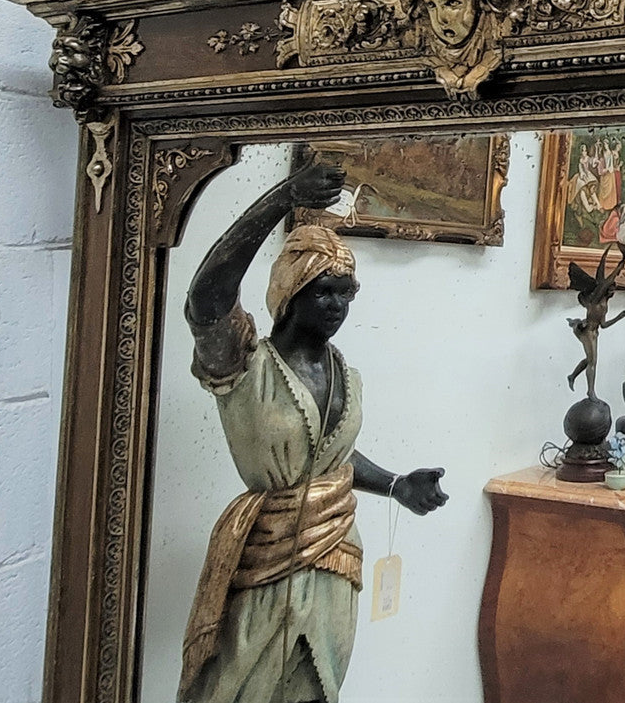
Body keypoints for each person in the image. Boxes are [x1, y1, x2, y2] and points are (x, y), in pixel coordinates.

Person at [178, 163, 447, 703]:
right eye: (325, 292)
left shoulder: (348, 374)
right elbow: (204, 299)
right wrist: (283, 198)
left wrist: (397, 484)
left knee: (316, 688)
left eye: (347, 294)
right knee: (238, 686)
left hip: (335, 559)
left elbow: (332, 459)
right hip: (265, 559)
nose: (338, 307)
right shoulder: (246, 365)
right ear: (290, 290)